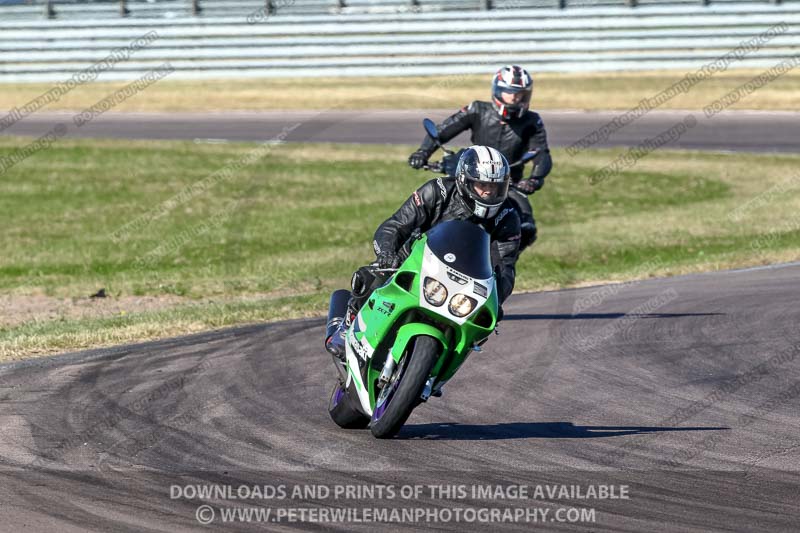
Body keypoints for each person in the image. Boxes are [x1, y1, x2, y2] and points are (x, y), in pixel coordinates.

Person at [326, 145, 521, 360]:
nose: (488, 192)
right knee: (369, 276)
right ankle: (346, 327)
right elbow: (395, 226)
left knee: (479, 327)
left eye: (495, 187)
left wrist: (496, 299)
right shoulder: (437, 191)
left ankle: (435, 373)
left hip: (463, 283)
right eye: (482, 185)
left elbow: (504, 267)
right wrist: (387, 254)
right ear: (465, 180)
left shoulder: (507, 216)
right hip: (414, 260)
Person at [408, 65, 552, 253]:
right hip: (470, 178)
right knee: (426, 213)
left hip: (507, 186)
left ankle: (502, 267)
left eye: (521, 93)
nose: (516, 97)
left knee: (525, 224)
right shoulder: (477, 109)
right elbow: (442, 130)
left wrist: (534, 179)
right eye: (510, 92)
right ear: (498, 90)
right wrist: (422, 152)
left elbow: (542, 153)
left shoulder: (533, 121)